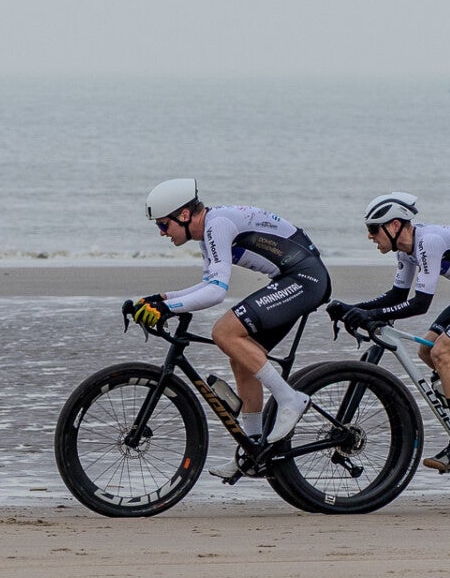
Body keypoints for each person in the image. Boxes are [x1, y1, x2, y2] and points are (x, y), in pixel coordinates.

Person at [328, 193, 450, 472]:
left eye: (373, 229)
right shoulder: (405, 250)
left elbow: (420, 304)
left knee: (444, 353)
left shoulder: (428, 242)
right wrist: (353, 309)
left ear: (395, 225)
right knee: (427, 349)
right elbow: (396, 296)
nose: (370, 236)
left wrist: (371, 315)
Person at [130, 179, 329, 452]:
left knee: (224, 332)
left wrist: (167, 308)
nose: (162, 233)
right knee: (241, 358)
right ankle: (254, 449)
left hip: (305, 279)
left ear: (184, 215)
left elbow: (216, 291)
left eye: (163, 225)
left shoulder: (218, 225)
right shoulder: (208, 232)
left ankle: (290, 399)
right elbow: (208, 283)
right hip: (292, 279)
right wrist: (163, 299)